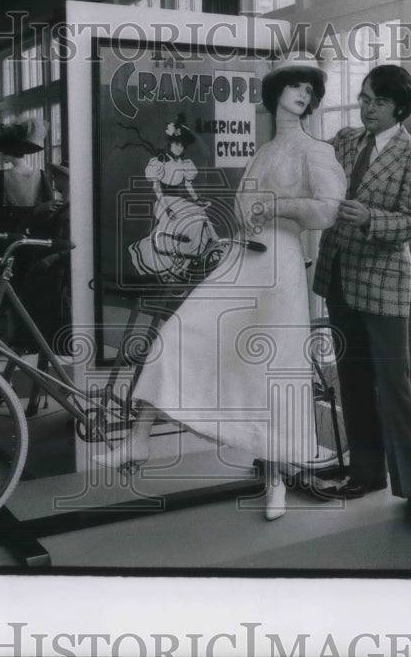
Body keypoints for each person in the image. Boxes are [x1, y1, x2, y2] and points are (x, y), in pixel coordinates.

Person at [111, 51, 346, 521]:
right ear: (275, 92)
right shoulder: (263, 151)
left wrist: (277, 206)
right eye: (295, 85)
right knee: (182, 331)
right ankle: (139, 435)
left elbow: (327, 210)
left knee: (273, 369)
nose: (303, 94)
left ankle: (275, 479)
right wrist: (243, 223)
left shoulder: (315, 151)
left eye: (309, 89)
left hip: (280, 267)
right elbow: (243, 211)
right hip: (243, 257)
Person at [312, 64, 411, 520]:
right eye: (363, 98)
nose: (366, 108)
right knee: (352, 381)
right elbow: (309, 162)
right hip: (338, 276)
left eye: (377, 102)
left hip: (384, 284)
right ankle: (366, 473)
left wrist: (370, 219)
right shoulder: (345, 140)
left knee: (394, 385)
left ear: (399, 109)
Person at [0, 119, 67, 415]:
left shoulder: (2, 178)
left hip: (18, 253)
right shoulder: (40, 178)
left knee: (20, 320)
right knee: (31, 321)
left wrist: (16, 225)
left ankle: (11, 385)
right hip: (33, 253)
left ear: (9, 152)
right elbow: (47, 221)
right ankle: (18, 386)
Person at [127, 115, 212, 282]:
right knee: (176, 228)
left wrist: (196, 199)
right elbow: (156, 188)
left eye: (182, 145)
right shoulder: (160, 162)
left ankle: (187, 264)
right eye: (176, 144)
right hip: (164, 202)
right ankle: (168, 269)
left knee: (199, 217)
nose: (179, 148)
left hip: (179, 201)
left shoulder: (185, 163)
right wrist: (167, 208)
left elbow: (188, 186)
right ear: (170, 144)